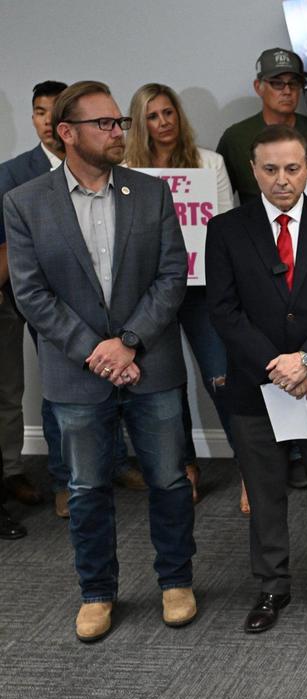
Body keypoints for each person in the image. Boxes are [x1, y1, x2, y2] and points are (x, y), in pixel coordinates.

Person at [4, 81, 195, 642]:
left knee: (167, 481)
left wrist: (129, 340)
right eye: (105, 124)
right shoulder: (25, 201)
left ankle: (176, 581)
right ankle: (97, 592)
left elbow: (171, 275)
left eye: (119, 123)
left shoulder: (151, 193)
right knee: (86, 490)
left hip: (151, 364)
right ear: (68, 134)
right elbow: (31, 293)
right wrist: (96, 350)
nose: (119, 132)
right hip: (75, 373)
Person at [206, 124, 307, 632]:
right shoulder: (226, 230)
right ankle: (272, 586)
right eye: (270, 169)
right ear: (253, 171)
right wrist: (277, 365)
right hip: (257, 382)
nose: (281, 180)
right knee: (266, 491)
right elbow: (224, 312)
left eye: (292, 168)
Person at [125, 82, 239, 508]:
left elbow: (226, 226)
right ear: (141, 123)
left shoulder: (210, 163)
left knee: (222, 377)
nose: (163, 122)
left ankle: (249, 464)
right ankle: (185, 467)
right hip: (148, 293)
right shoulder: (127, 172)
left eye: (168, 113)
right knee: (166, 386)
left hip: (202, 288)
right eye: (153, 116)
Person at [0, 80, 67, 515]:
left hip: (69, 293)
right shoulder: (11, 172)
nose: (46, 120)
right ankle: (11, 471)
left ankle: (73, 474)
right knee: (10, 388)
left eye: (54, 112)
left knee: (69, 384)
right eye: (39, 111)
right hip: (15, 290)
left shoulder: (93, 165)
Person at [217, 48, 307, 204]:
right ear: (258, 87)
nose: (287, 91)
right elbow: (218, 199)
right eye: (277, 83)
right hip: (255, 225)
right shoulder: (236, 137)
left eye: (294, 83)